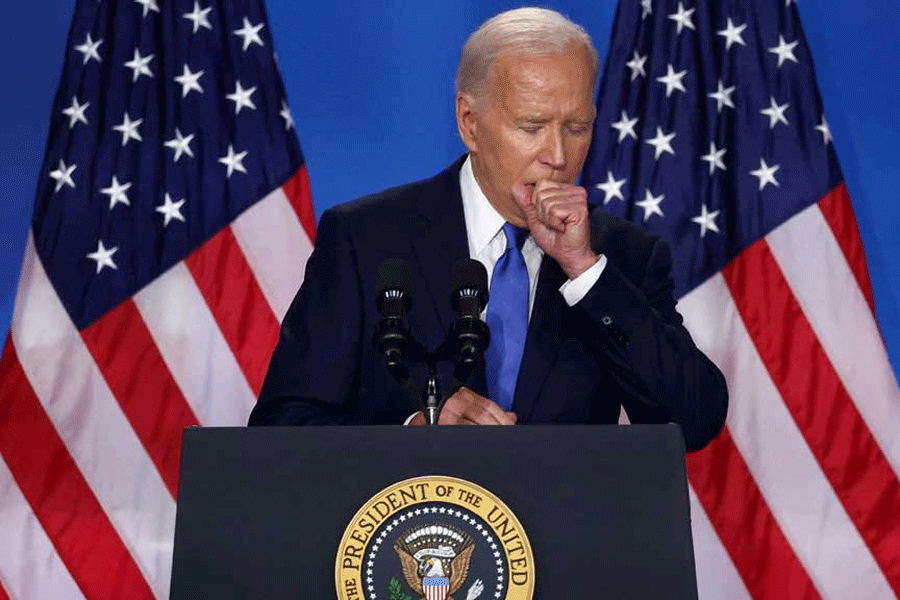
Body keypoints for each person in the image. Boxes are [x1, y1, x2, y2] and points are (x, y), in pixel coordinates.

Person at [249, 7, 727, 451]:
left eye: (577, 128)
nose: (558, 157)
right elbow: (281, 425)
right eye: (531, 126)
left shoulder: (622, 257)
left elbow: (693, 421)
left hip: (561, 540)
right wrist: (414, 433)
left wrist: (583, 271)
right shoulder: (365, 240)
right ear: (470, 123)